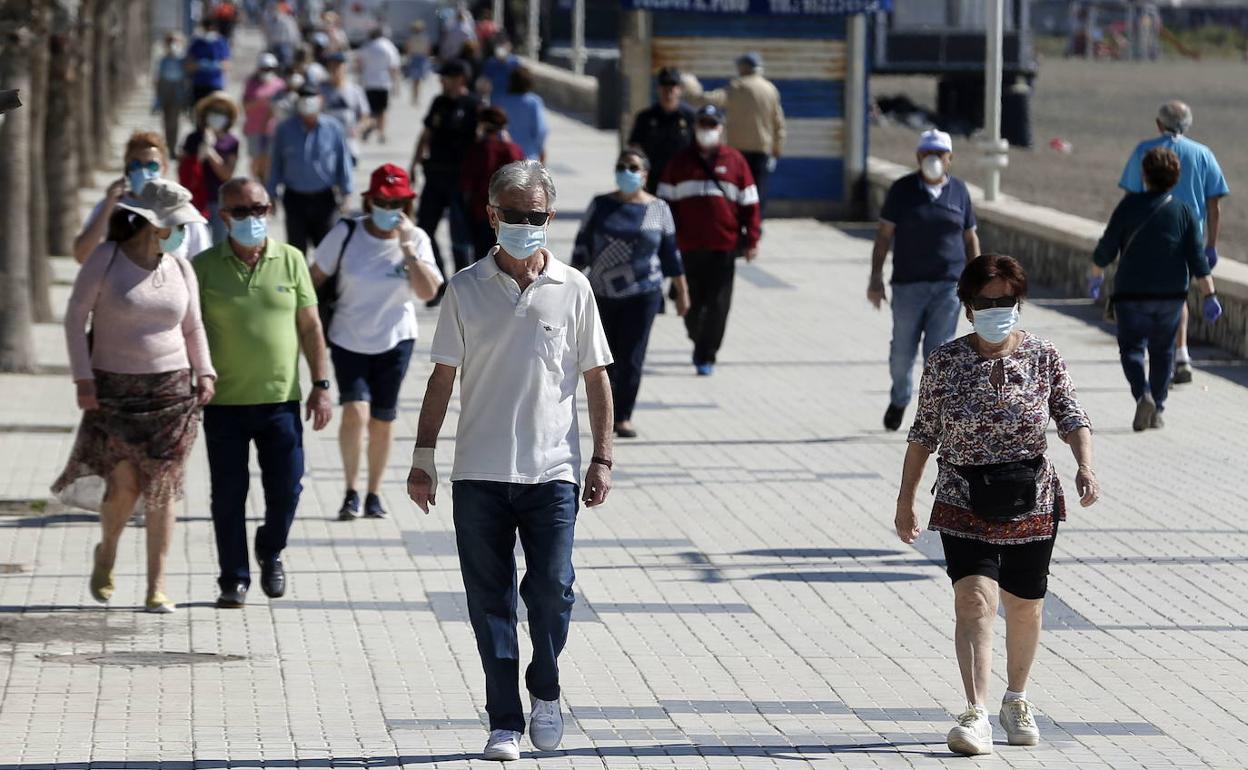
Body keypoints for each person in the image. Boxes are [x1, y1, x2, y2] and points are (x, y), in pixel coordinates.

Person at [406, 160, 614, 762]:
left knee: (553, 589)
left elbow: (596, 376)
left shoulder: (574, 288)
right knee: (489, 600)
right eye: (515, 216)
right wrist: (423, 458)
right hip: (479, 472)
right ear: (492, 215)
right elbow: (441, 379)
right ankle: (504, 720)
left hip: (552, 471)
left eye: (538, 217)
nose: (527, 226)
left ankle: (544, 686)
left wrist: (602, 456)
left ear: (550, 218)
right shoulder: (466, 289)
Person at [894, 254, 1099, 758]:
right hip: (964, 496)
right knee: (974, 600)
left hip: (1031, 498)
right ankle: (975, 711)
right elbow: (923, 434)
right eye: (986, 302)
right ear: (967, 308)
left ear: (1019, 303)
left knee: (1025, 605)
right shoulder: (945, 362)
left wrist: (1085, 465)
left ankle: (1017, 699)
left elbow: (1071, 413)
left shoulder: (1043, 356)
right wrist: (906, 501)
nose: (997, 310)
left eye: (1006, 300)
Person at [54, 179, 215, 614]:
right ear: (156, 225)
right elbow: (74, 318)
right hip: (115, 390)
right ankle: (107, 551)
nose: (183, 232)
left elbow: (193, 327)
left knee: (163, 488)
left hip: (172, 392)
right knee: (124, 486)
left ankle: (156, 586)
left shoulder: (181, 267)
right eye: (178, 224)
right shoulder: (107, 259)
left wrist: (205, 372)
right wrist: (82, 379)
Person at [193, 177, 333, 609]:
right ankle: (232, 578)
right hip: (224, 404)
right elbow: (188, 331)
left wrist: (321, 385)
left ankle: (270, 548)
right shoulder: (202, 267)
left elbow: (310, 327)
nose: (253, 218)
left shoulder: (291, 260)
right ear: (224, 217)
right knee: (228, 496)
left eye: (259, 209)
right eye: (241, 211)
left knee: (288, 488)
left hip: (280, 402)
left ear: (270, 210)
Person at [310, 165, 442, 520]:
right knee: (355, 411)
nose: (389, 207)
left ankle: (373, 493)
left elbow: (429, 292)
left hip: (395, 339)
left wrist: (407, 251)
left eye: (396, 201)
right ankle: (351, 491)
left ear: (406, 202)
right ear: (370, 200)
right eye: (382, 200)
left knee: (383, 420)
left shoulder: (415, 238)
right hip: (348, 336)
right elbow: (313, 277)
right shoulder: (347, 232)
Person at [1093, 147, 1222, 431]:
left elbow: (1107, 246)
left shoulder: (1128, 206)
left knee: (1131, 350)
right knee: (1163, 352)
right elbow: (1197, 259)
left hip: (1131, 295)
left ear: (1144, 174)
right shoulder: (1184, 211)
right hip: (1171, 296)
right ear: (1175, 178)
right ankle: (1159, 407)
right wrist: (1210, 295)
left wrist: (1096, 275)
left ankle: (1143, 395)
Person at [573, 149, 689, 438]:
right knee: (604, 358)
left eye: (633, 167)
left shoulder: (659, 209)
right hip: (601, 292)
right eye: (621, 166)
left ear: (645, 173)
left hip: (644, 293)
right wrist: (569, 283)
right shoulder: (601, 205)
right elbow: (582, 245)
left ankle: (623, 416)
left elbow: (671, 254)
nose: (627, 171)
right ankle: (605, 415)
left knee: (632, 356)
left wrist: (682, 291)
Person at [869, 129, 979, 432]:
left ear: (950, 158)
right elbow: (882, 237)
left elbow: (970, 238)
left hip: (948, 286)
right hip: (908, 285)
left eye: (939, 154)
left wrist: (977, 281)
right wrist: (875, 279)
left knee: (938, 353)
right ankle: (900, 397)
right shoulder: (901, 190)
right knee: (902, 353)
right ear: (918, 157)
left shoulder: (959, 191)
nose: (932, 159)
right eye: (926, 154)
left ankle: (934, 414)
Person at [1119, 100, 1229, 384]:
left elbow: (1130, 198)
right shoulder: (1204, 154)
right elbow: (1214, 205)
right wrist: (1211, 245)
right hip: (1187, 236)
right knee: (1176, 295)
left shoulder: (1145, 151)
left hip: (1146, 237)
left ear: (1159, 124)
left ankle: (1161, 352)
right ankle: (1180, 354)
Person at [657, 105, 760, 376]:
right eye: (703, 124)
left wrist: (752, 240)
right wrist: (660, 242)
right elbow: (663, 205)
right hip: (688, 247)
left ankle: (706, 354)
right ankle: (697, 337)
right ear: (695, 127)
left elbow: (750, 204)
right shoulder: (680, 163)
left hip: (723, 247)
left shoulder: (736, 162)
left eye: (712, 124)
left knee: (718, 305)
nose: (707, 129)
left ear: (721, 128)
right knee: (690, 304)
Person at [73, 131, 212, 264]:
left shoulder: (182, 211)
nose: (143, 171)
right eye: (135, 164)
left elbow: (204, 264)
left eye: (152, 165)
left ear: (164, 168)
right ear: (126, 169)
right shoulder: (111, 207)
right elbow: (82, 256)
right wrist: (109, 206)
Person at [683, 52, 785, 212]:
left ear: (744, 67)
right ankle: (756, 224)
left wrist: (692, 89)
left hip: (738, 149)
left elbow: (710, 100)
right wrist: (778, 146)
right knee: (758, 191)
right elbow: (778, 122)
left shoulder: (737, 87)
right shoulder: (770, 89)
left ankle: (738, 223)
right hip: (762, 150)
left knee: (737, 189)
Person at [410, 59, 479, 288]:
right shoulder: (438, 102)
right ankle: (438, 280)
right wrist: (413, 164)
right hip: (435, 176)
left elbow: (482, 141)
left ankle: (463, 282)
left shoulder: (474, 105)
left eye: (446, 77)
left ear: (460, 79)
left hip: (459, 178)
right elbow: (426, 133)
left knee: (459, 234)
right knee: (424, 228)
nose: (441, 81)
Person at [268, 81, 354, 256]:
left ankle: (324, 284)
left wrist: (347, 193)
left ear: (321, 100)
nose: (307, 102)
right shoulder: (285, 129)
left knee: (328, 250)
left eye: (312, 98)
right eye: (303, 98)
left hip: (325, 198)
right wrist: (271, 194)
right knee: (296, 251)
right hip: (295, 199)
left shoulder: (333, 128)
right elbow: (276, 163)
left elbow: (343, 161)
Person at [461, 106, 525, 259]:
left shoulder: (478, 149)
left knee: (483, 258)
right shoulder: (514, 150)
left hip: (482, 213)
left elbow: (467, 185)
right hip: (511, 215)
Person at [180, 91, 241, 243]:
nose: (217, 115)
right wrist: (200, 152)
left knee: (220, 244)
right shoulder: (193, 138)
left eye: (221, 112)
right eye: (213, 111)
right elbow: (185, 171)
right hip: (196, 199)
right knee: (196, 244)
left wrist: (211, 151)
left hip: (220, 200)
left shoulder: (232, 141)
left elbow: (227, 174)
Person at [627, 67, 695, 195]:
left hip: (682, 180)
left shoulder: (690, 117)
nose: (668, 92)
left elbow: (699, 147)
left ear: (679, 89)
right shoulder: (646, 117)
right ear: (658, 89)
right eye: (664, 86)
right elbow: (635, 146)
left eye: (672, 87)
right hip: (653, 180)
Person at [320, 51, 372, 163]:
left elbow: (366, 117)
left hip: (349, 145)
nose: (335, 69)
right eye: (331, 66)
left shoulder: (355, 90)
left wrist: (358, 129)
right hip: (325, 145)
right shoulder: (320, 90)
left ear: (344, 67)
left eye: (338, 66)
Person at [242, 52, 286, 182]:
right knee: (255, 159)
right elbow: (245, 106)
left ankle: (267, 187)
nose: (266, 71)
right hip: (254, 128)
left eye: (269, 68)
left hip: (272, 129)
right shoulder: (251, 83)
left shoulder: (280, 84)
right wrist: (261, 102)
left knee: (269, 161)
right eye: (264, 68)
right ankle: (255, 184)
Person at [493, 67, 548, 162]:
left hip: (504, 157)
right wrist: (539, 149)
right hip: (528, 156)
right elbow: (541, 130)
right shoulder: (534, 102)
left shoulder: (500, 101)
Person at [357, 28, 402, 144]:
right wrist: (396, 84)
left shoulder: (366, 46)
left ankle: (368, 128)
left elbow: (360, 64)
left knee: (370, 110)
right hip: (383, 82)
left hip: (369, 82)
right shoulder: (388, 46)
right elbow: (394, 66)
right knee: (382, 111)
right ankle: (381, 133)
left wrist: (360, 78)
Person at [154, 32, 188, 159]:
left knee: (174, 122)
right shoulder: (163, 60)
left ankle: (173, 148)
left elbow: (186, 79)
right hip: (165, 95)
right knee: (166, 123)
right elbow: (158, 79)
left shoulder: (182, 60)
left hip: (177, 96)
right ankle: (168, 147)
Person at [186, 19, 231, 108]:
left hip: (215, 86)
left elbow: (227, 65)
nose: (208, 31)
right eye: (206, 28)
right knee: (198, 115)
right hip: (199, 85)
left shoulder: (221, 43)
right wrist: (200, 65)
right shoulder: (197, 43)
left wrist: (217, 65)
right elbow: (188, 66)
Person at [479, 32, 519, 101]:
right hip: (495, 98)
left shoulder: (514, 62)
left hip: (510, 97)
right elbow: (484, 81)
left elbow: (519, 80)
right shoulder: (490, 63)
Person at [404, 21, 432, 105]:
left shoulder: (411, 37)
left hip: (414, 58)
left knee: (414, 80)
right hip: (422, 59)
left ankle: (414, 97)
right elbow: (428, 50)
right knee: (418, 81)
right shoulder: (425, 38)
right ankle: (416, 98)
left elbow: (407, 49)